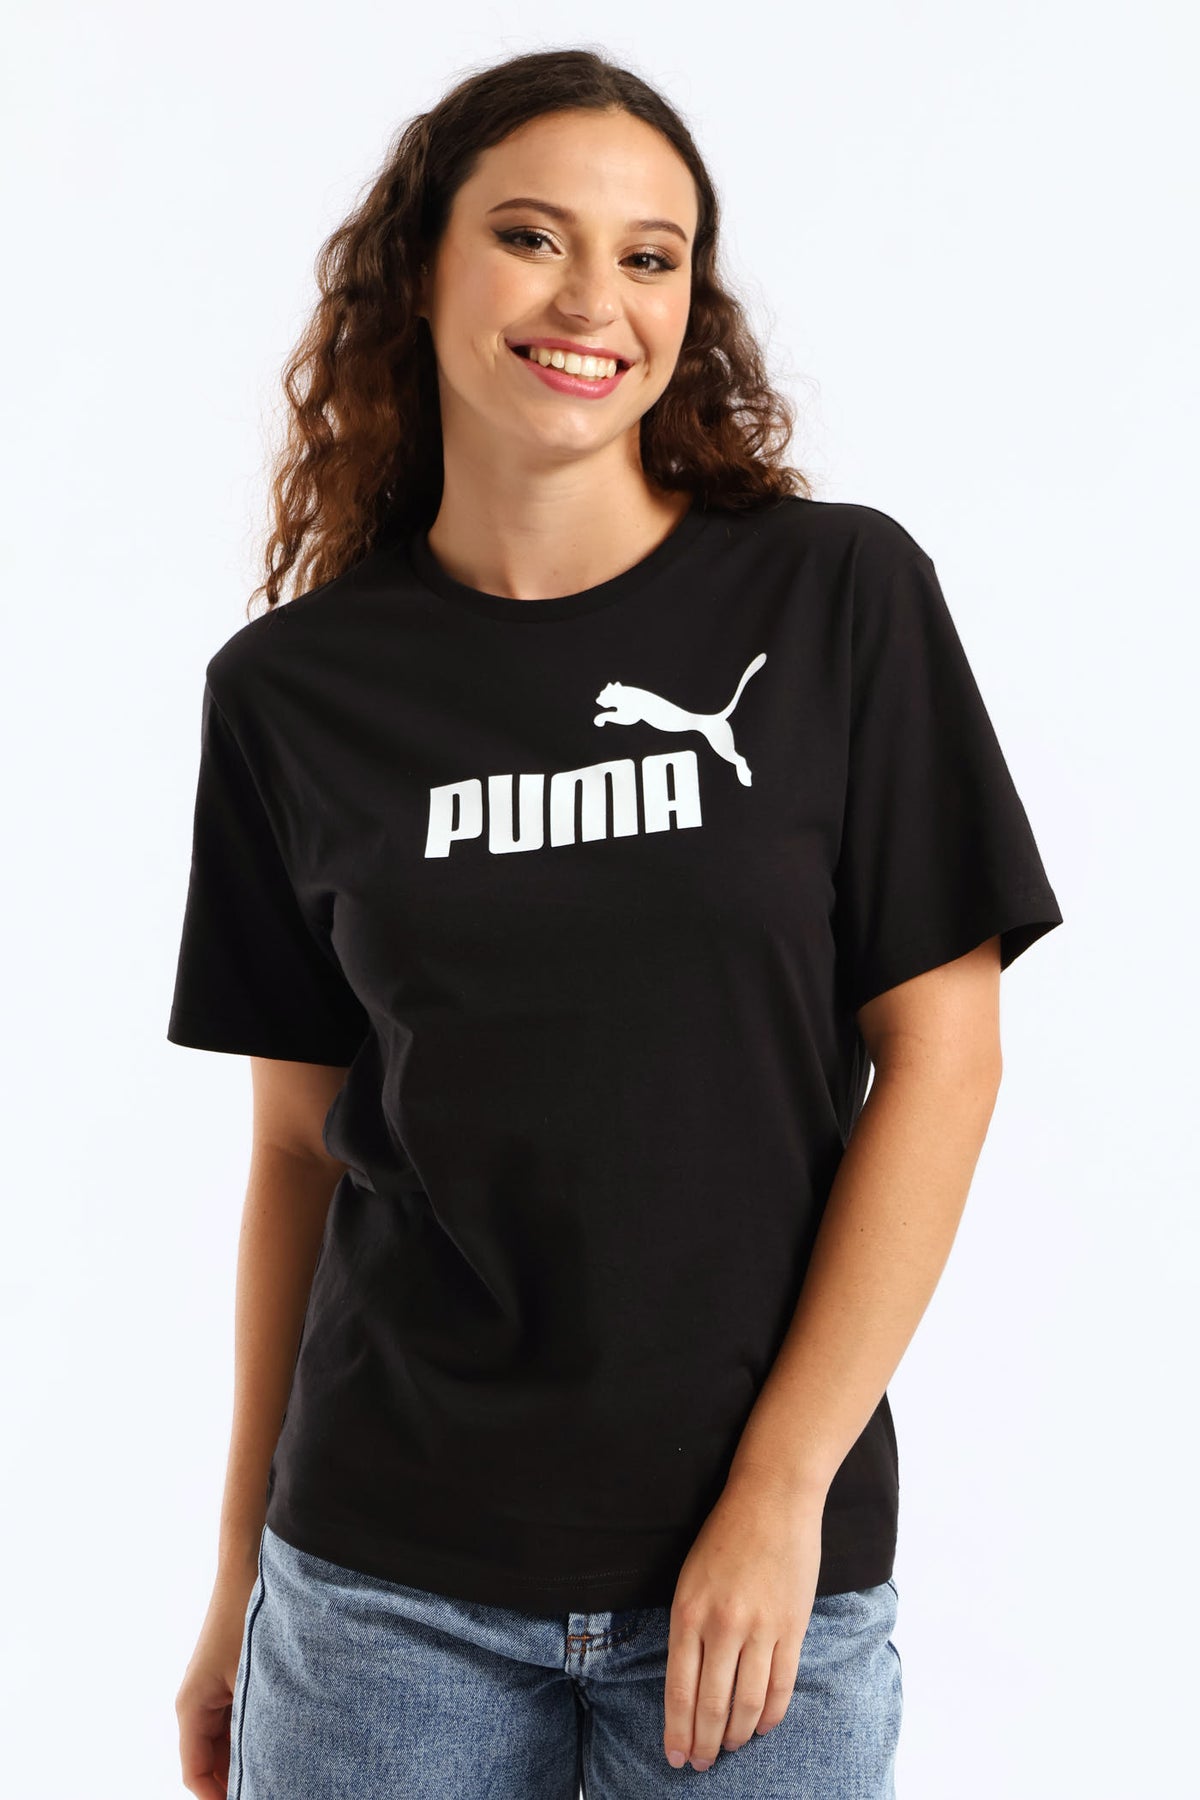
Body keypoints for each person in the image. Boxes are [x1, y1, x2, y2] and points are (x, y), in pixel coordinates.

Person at [168, 46, 1063, 1800]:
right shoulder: (291, 692)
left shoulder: (837, 598)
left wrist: (780, 1491)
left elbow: (944, 1059)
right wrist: (233, 1587)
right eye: (532, 237)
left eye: (651, 256)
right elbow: (293, 1151)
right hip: (378, 1590)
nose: (594, 299)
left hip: (756, 1582)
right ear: (418, 267)